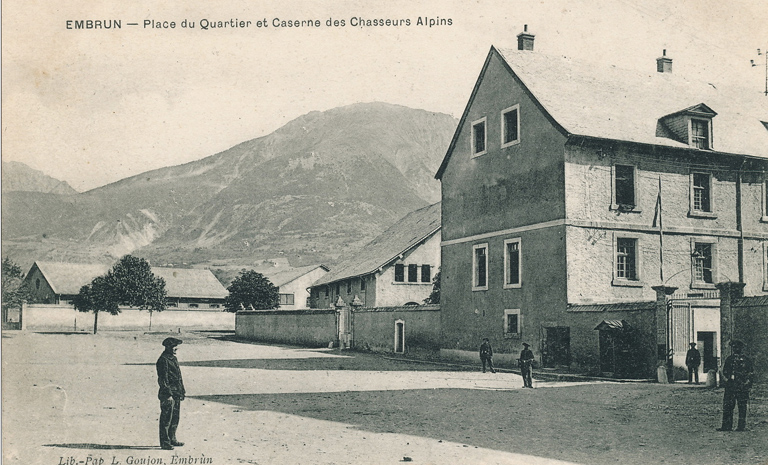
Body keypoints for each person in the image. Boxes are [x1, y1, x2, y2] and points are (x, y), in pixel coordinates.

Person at [717, 340, 754, 432]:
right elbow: (725, 371)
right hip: (731, 386)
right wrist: (727, 379)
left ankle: (741, 427)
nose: (735, 349)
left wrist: (747, 384)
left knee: (742, 407)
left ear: (741, 349)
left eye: (737, 347)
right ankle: (726, 426)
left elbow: (751, 373)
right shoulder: (729, 359)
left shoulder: (746, 360)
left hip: (742, 386)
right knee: (728, 406)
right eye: (734, 348)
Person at [157, 337, 186, 450]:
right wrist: (168, 394)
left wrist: (182, 390)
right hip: (168, 394)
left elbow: (178, 377)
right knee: (166, 419)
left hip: (176, 393)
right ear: (168, 347)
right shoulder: (163, 360)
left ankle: (172, 438)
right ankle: (165, 442)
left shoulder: (173, 358)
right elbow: (163, 379)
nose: (176, 349)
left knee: (175, 417)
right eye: (174, 347)